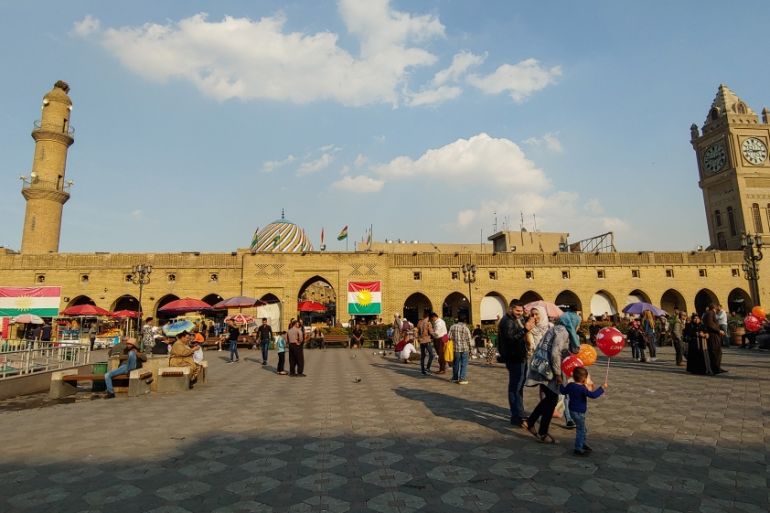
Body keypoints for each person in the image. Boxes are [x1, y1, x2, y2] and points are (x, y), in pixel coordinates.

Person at [525, 311, 581, 444]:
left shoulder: (556, 328)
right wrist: (557, 374)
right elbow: (555, 353)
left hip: (543, 367)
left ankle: (531, 423)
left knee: (550, 399)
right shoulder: (563, 332)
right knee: (551, 399)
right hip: (549, 369)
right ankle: (541, 431)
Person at [498, 301, 533, 427]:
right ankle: (517, 416)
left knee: (519, 387)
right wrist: (525, 330)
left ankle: (520, 413)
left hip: (520, 356)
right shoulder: (507, 321)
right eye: (517, 311)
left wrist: (527, 319)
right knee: (515, 387)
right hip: (514, 358)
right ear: (510, 309)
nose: (520, 313)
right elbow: (511, 339)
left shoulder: (515, 319)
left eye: (521, 310)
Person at [559, 367, 607, 456]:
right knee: (580, 430)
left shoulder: (571, 385)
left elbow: (563, 391)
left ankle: (582, 443)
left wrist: (560, 383)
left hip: (572, 411)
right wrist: (602, 388)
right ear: (584, 378)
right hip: (579, 412)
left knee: (583, 429)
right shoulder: (582, 388)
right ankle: (578, 448)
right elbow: (593, 395)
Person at [703, 304, 726, 374]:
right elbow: (710, 324)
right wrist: (719, 331)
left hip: (714, 335)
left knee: (717, 352)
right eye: (717, 308)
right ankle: (715, 368)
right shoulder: (710, 313)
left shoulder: (709, 313)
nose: (718, 309)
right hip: (713, 335)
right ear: (714, 308)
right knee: (715, 351)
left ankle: (717, 367)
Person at [449, 316, 472, 384]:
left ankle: (455, 378)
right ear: (465, 320)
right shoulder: (466, 328)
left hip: (455, 348)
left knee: (455, 363)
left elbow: (449, 337)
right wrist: (471, 349)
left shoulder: (452, 327)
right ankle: (462, 379)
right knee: (464, 364)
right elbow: (469, 340)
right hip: (465, 348)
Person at [417, 311, 435, 375]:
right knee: (431, 355)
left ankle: (422, 370)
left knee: (423, 355)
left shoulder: (420, 322)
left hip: (421, 340)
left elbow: (417, 331)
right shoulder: (428, 323)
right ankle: (428, 368)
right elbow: (431, 332)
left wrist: (419, 338)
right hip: (427, 340)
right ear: (428, 317)